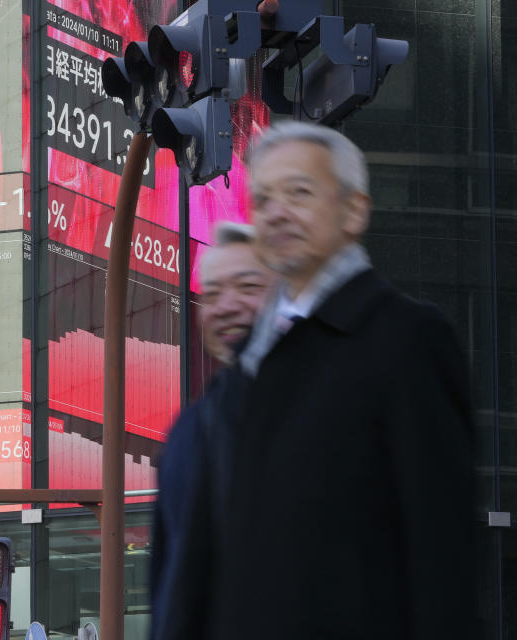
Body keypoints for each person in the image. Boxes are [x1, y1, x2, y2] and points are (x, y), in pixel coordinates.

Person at [210, 121, 475, 639]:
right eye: (263, 200)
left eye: (300, 193)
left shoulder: (408, 338)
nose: (277, 212)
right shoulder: (247, 362)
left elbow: (441, 548)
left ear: (354, 210)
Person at [150, 222, 274, 640]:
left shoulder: (325, 405)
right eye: (214, 293)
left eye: (248, 286)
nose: (228, 305)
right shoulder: (186, 431)